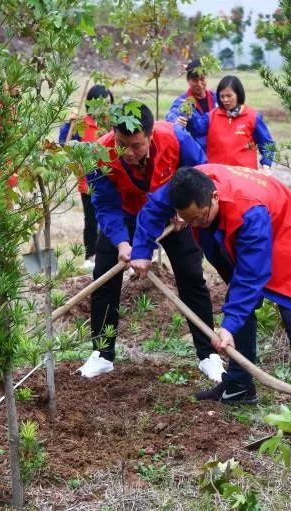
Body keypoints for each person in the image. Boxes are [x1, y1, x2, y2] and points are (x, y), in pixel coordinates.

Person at [130, 164, 291, 423]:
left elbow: (251, 275)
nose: (194, 224)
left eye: (199, 218)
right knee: (237, 297)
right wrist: (141, 251)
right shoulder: (184, 187)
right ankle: (239, 386)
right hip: (250, 226)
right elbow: (153, 209)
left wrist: (229, 325)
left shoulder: (249, 212)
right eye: (188, 220)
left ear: (213, 197)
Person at [78, 99, 224, 384]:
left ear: (151, 135)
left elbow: (202, 172)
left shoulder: (176, 138)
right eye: (123, 144)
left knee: (192, 277)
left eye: (136, 146)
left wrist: (187, 208)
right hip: (125, 215)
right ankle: (102, 355)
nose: (129, 153)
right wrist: (121, 242)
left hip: (172, 217)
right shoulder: (99, 153)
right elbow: (104, 204)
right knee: (104, 279)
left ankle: (208, 355)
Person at [58, 84, 115, 271]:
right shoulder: (81, 124)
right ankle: (90, 256)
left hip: (113, 179)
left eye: (108, 102)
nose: (106, 106)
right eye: (102, 103)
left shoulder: (113, 123)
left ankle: (112, 253)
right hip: (88, 181)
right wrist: (68, 124)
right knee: (91, 220)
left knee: (113, 218)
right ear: (91, 104)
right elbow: (64, 143)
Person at [187, 75, 275, 169]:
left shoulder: (253, 117)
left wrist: (266, 164)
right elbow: (197, 129)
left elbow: (267, 143)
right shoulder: (212, 116)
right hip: (217, 174)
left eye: (229, 96)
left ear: (238, 94)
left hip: (244, 175)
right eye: (222, 96)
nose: (225, 100)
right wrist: (189, 115)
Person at [165, 58, 216, 151]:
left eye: (202, 79)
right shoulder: (183, 101)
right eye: (195, 80)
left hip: (217, 148)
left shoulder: (216, 97)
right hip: (196, 151)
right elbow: (171, 115)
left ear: (206, 78)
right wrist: (175, 120)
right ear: (188, 80)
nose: (199, 84)